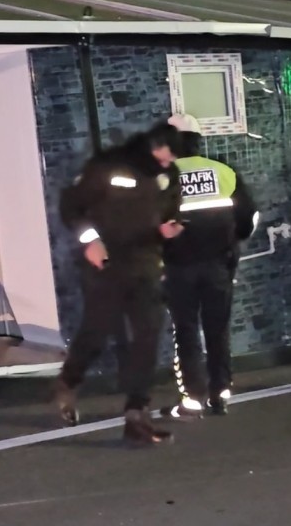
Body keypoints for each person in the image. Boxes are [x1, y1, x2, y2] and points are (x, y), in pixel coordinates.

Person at [52, 120, 186, 445]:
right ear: (151, 147)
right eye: (164, 158)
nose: (167, 165)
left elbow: (171, 212)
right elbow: (71, 206)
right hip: (106, 264)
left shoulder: (168, 176)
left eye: (171, 161)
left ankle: (137, 415)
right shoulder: (108, 167)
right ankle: (69, 380)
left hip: (145, 264)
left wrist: (168, 230)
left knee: (146, 337)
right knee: (98, 331)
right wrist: (90, 240)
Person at [159, 113, 259, 419]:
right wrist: (232, 245)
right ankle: (220, 395)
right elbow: (249, 217)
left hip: (177, 268)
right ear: (198, 140)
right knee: (218, 329)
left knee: (186, 331)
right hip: (219, 265)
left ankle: (192, 399)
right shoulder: (222, 170)